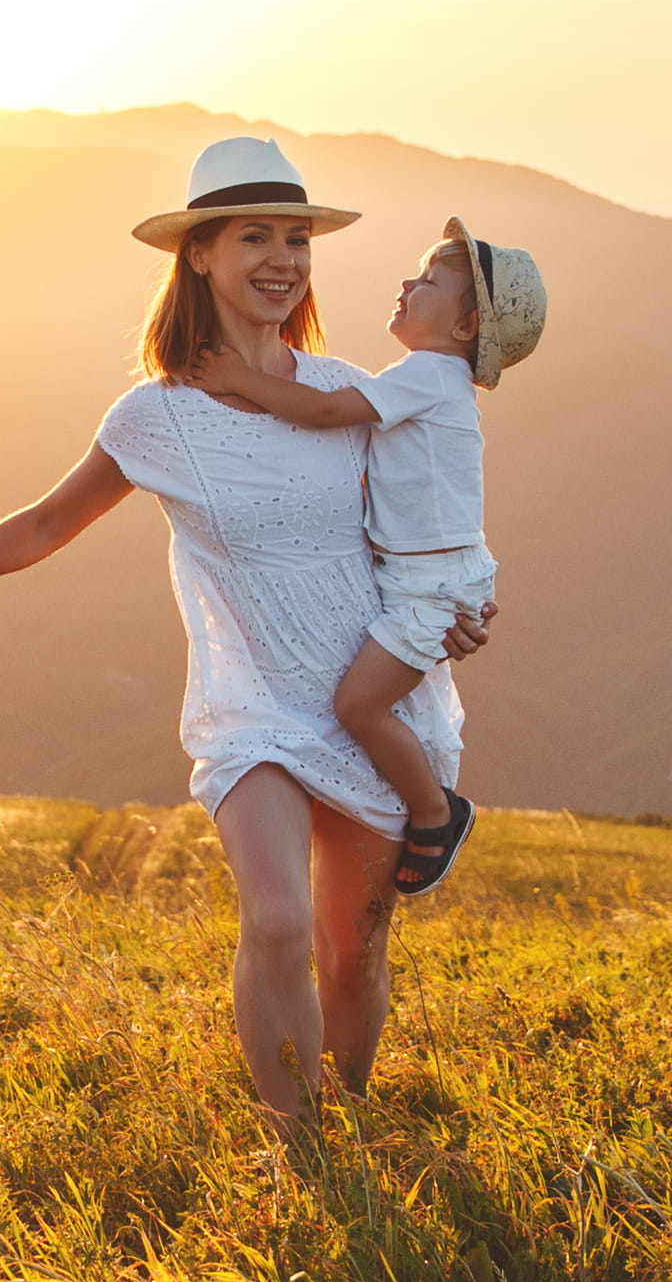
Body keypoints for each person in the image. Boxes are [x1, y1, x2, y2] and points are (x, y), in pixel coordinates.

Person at [0, 138, 490, 1127]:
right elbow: (43, 523)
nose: (284, 259)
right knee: (279, 922)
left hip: (369, 695)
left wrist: (459, 606)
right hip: (253, 704)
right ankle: (299, 1148)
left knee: (353, 943)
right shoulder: (155, 415)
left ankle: (348, 1117)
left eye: (297, 239)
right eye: (256, 238)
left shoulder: (347, 393)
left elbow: (424, 523)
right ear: (199, 254)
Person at [187, 216, 544, 896]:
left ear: (465, 328)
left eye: (432, 280)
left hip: (429, 586)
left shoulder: (428, 375)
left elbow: (325, 413)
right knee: (361, 703)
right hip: (435, 578)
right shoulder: (436, 383)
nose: (410, 281)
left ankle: (437, 811)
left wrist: (238, 378)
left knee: (357, 706)